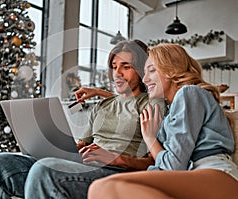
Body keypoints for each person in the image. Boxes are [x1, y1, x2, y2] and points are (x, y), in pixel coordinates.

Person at [0, 40, 167, 199]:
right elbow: (83, 143)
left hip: (116, 173)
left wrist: (119, 159)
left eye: (126, 67)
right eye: (114, 67)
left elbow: (155, 161)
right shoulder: (103, 105)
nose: (117, 73)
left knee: (44, 170)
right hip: (79, 166)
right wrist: (57, 146)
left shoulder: (152, 104)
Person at [88, 43, 238, 199]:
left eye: (152, 70)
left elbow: (173, 166)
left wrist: (150, 139)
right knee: (102, 187)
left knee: (104, 187)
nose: (145, 79)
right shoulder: (172, 110)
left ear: (170, 70)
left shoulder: (189, 93)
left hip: (215, 175)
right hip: (192, 176)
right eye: (144, 72)